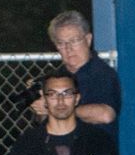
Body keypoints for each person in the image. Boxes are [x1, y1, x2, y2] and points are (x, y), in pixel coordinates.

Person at [45, 10, 122, 141]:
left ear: (88, 39)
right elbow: (43, 122)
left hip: (94, 151)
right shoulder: (55, 78)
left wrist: (60, 111)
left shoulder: (102, 74)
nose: (68, 48)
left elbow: (105, 115)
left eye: (74, 41)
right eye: (61, 43)